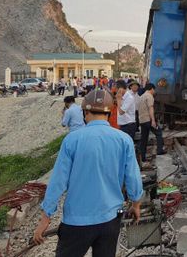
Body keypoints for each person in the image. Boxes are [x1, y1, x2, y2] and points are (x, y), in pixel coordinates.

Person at [33, 90, 143, 257]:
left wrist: (46, 217)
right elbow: (133, 178)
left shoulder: (72, 140)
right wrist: (136, 205)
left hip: (76, 222)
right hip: (111, 219)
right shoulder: (124, 139)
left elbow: (58, 182)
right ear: (109, 112)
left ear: (85, 112)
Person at [138, 83, 165, 161]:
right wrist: (153, 120)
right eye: (154, 90)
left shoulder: (141, 96)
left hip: (142, 120)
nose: (154, 91)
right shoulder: (149, 96)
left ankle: (142, 157)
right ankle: (160, 150)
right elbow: (150, 108)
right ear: (152, 89)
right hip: (148, 120)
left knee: (144, 138)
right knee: (159, 133)